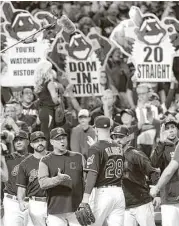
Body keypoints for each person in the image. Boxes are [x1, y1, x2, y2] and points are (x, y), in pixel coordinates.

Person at [81, 116, 125, 226]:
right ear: (110, 128)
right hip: (119, 193)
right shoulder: (119, 147)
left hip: (103, 194)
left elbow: (92, 173)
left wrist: (85, 198)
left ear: (95, 129)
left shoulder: (95, 148)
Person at [111, 125, 157, 226]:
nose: (118, 140)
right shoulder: (112, 157)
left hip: (141, 203)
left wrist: (157, 193)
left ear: (128, 138)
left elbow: (152, 172)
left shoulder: (136, 154)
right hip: (125, 205)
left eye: (121, 137)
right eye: (115, 137)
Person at [38, 127, 85, 226]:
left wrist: (87, 201)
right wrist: (57, 179)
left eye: (64, 138)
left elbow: (86, 181)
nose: (62, 141)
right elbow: (42, 183)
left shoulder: (78, 157)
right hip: (56, 210)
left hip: (76, 209)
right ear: (51, 142)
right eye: (58, 139)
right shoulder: (45, 160)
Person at [150, 118, 179, 226]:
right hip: (168, 196)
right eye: (167, 128)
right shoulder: (161, 146)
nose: (171, 130)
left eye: (173, 127)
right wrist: (161, 143)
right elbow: (153, 165)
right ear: (163, 131)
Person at [17, 131, 48, 226]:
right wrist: (21, 201)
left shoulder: (55, 158)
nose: (40, 143)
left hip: (54, 201)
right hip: (35, 203)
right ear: (31, 144)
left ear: (46, 142)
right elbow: (22, 187)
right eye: (36, 141)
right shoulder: (25, 164)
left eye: (42, 140)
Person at [3, 131, 30, 226]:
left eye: (21, 140)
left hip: (30, 202)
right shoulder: (7, 158)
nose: (18, 142)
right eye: (16, 141)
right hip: (12, 202)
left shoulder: (34, 158)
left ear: (28, 141)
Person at [34, 60, 63, 147]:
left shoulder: (39, 84)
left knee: (44, 134)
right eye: (50, 69)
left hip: (42, 111)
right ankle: (45, 156)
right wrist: (59, 100)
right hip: (49, 111)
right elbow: (54, 98)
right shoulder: (49, 82)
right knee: (48, 136)